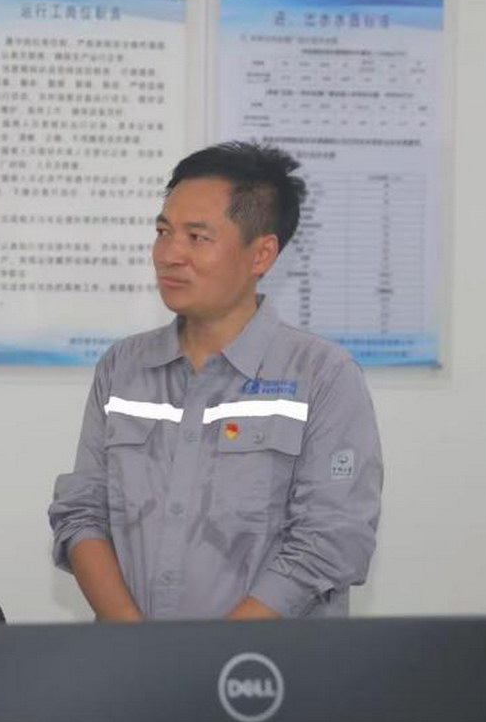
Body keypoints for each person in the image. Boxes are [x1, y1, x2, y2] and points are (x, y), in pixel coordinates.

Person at [49, 142, 382, 621]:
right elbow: (82, 513)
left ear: (261, 254)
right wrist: (134, 642)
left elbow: (329, 541)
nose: (170, 254)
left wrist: (213, 655)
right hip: (133, 658)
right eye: (163, 232)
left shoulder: (322, 375)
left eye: (197, 237)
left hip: (270, 665)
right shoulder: (123, 367)